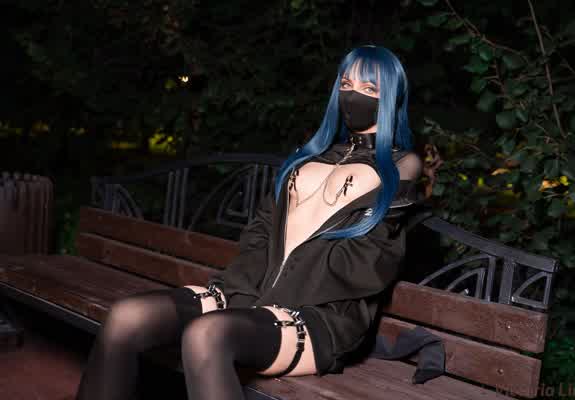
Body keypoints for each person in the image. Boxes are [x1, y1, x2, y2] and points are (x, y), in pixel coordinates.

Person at [74, 45, 423, 400]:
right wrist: (243, 293)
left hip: (320, 314)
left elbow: (368, 261)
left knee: (205, 335)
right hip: (252, 293)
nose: (352, 95)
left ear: (390, 97)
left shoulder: (400, 165)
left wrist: (274, 303)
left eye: (369, 88)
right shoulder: (311, 155)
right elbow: (261, 232)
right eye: (346, 84)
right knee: (126, 316)